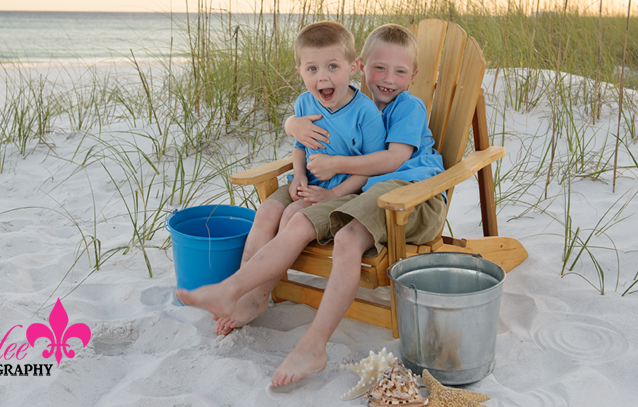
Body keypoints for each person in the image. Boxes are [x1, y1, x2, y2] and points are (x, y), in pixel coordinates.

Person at [177, 23, 447, 388]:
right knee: (279, 212)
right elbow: (310, 136)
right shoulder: (349, 102)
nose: (388, 78)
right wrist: (292, 126)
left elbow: (392, 160)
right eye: (379, 68)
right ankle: (250, 295)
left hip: (409, 194)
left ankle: (306, 338)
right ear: (362, 66)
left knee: (340, 235)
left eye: (400, 71)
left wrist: (335, 171)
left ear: (413, 75)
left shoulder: (402, 108)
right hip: (365, 192)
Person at [205, 20, 386, 336]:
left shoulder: (365, 113)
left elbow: (371, 168)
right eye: (312, 69)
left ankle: (260, 295)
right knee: (267, 212)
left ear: (353, 67)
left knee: (290, 214)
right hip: (307, 182)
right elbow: (300, 148)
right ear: (300, 71)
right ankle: (244, 288)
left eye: (332, 66)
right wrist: (298, 175)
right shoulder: (305, 103)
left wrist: (333, 194)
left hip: (346, 192)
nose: (323, 77)